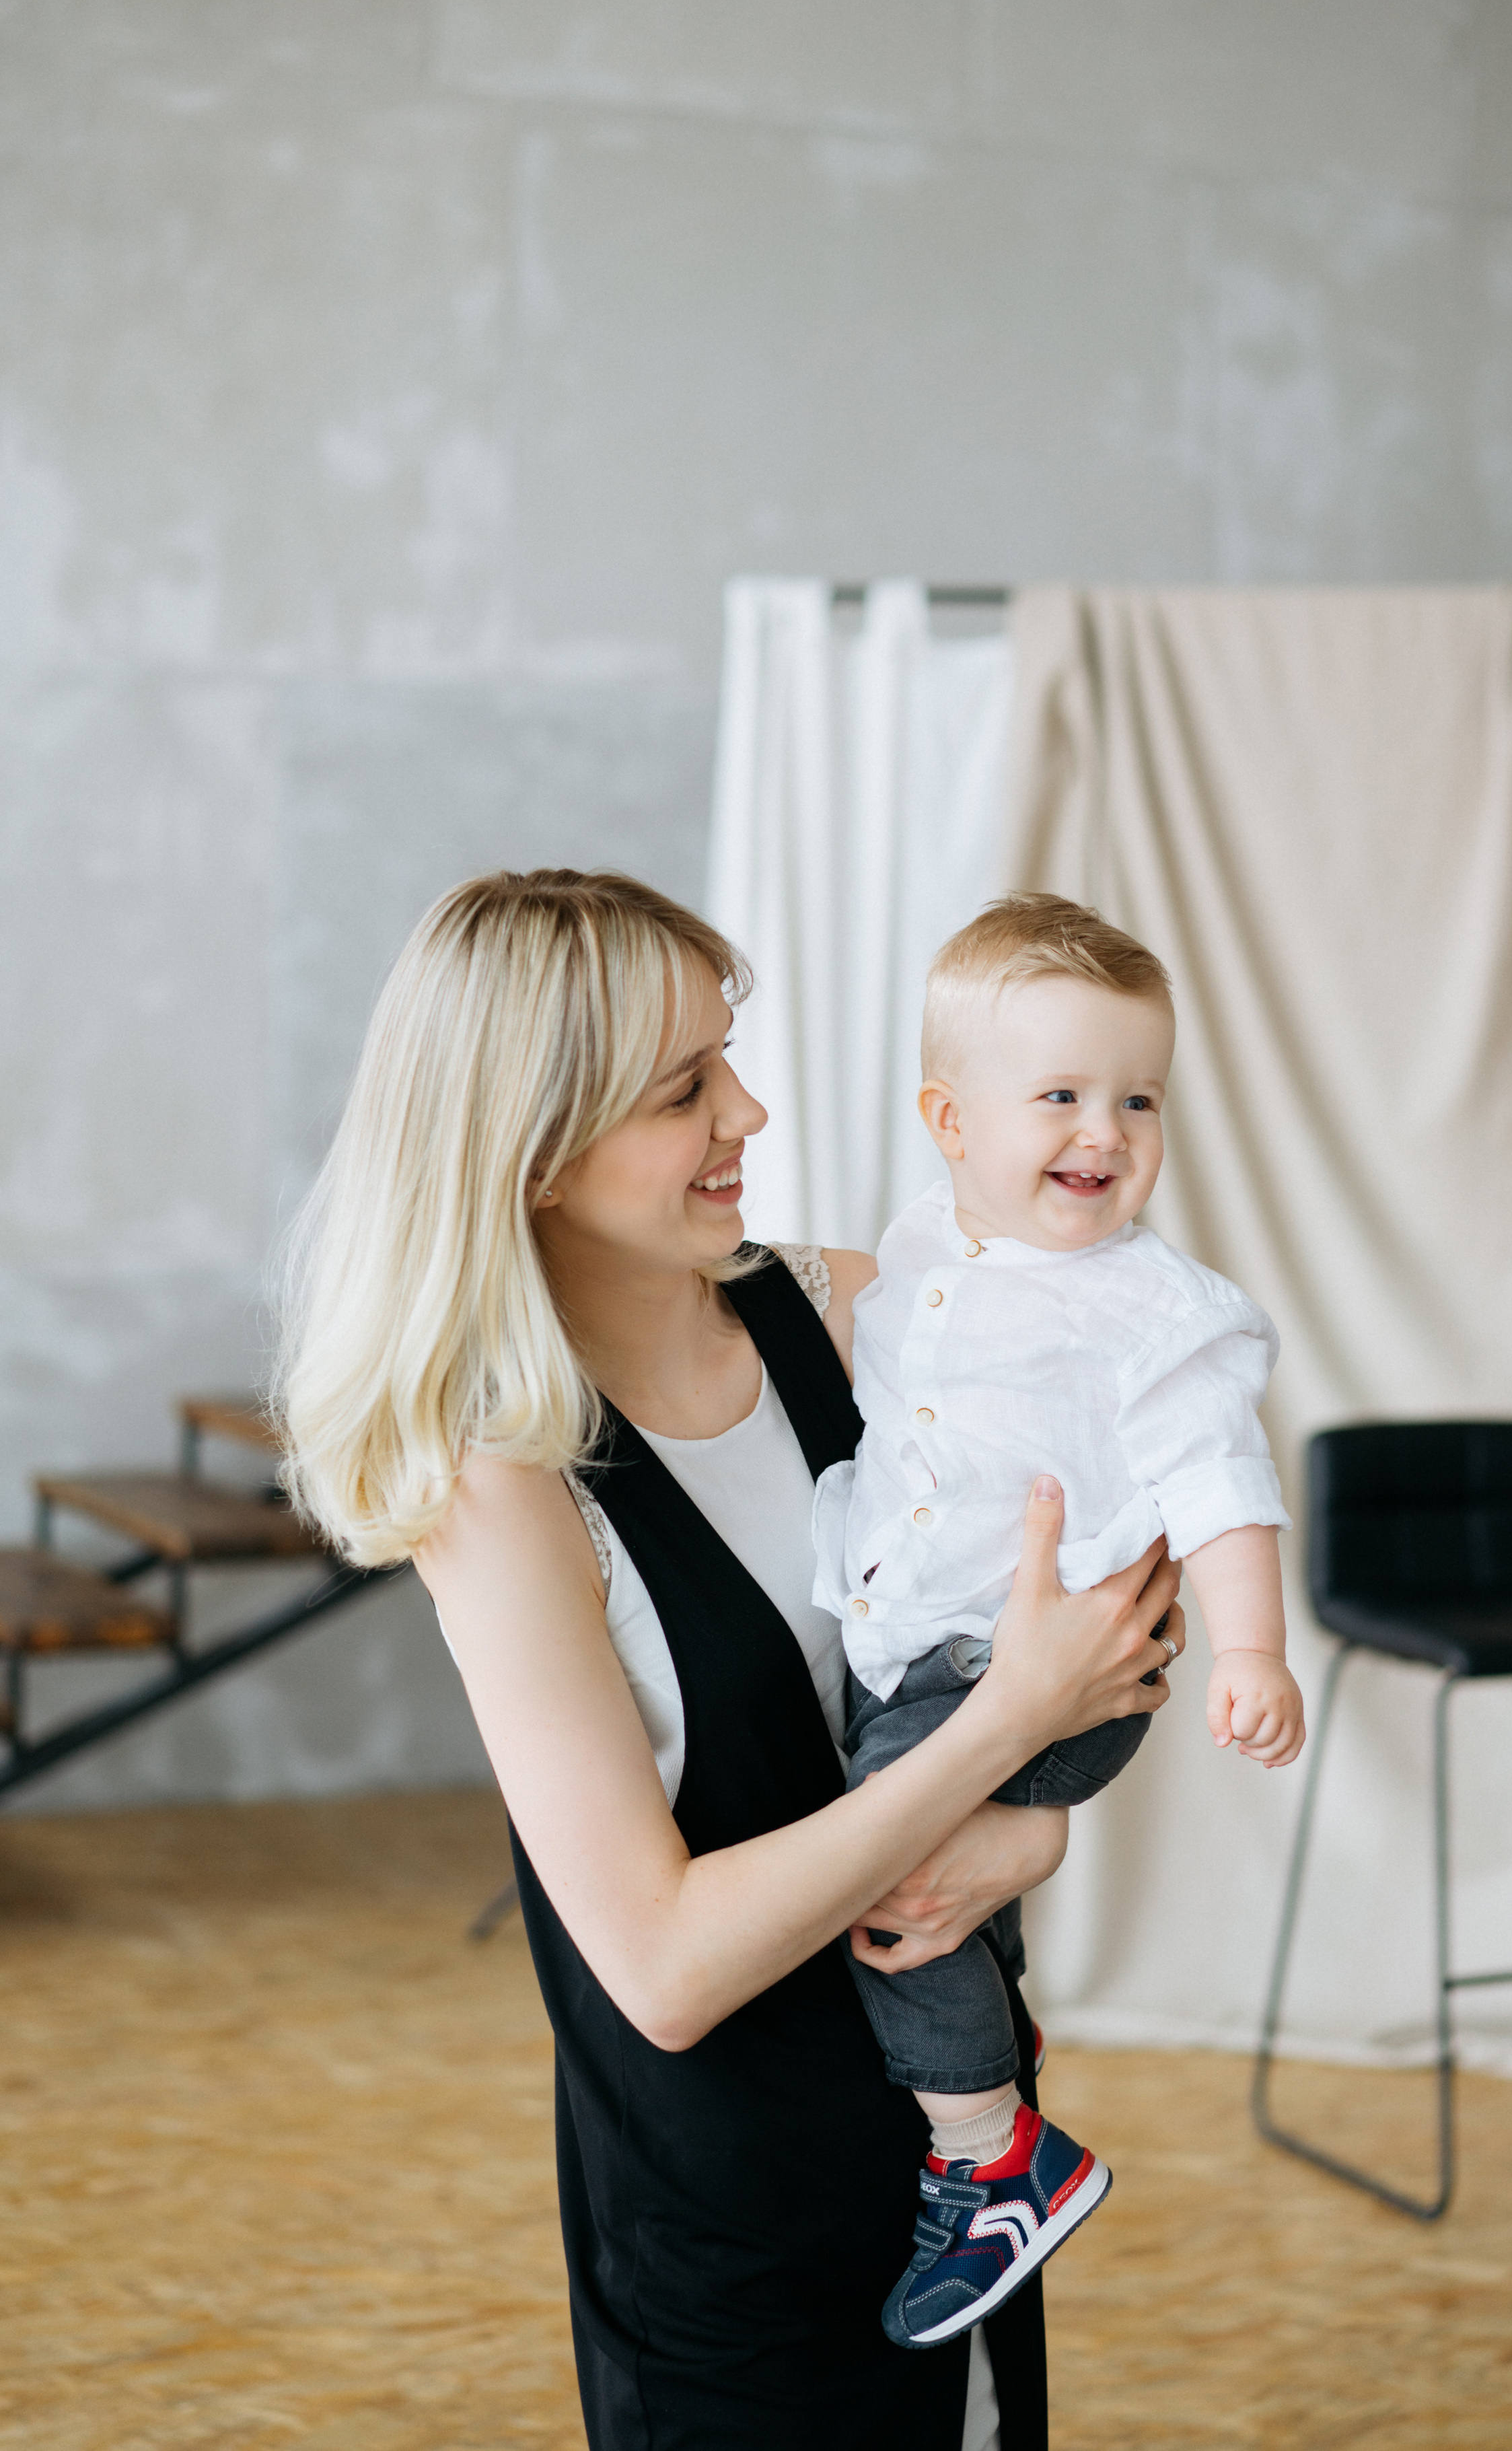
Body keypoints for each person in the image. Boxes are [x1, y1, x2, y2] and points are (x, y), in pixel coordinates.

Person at [275, 866, 1186, 2451]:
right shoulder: (498, 1483)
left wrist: (1031, 1824)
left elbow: (1129, 1576)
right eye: (683, 1086)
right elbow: (665, 1967)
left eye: (731, 1061)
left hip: (967, 2177)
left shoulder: (854, 1312)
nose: (748, 1113)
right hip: (728, 2240)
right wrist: (1003, 1734)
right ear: (534, 1147)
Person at [812, 894, 1305, 2349]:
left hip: (1038, 1671)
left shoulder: (1153, 1307)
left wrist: (1253, 1648)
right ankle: (990, 2000)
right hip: (915, 1654)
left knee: (880, 1867)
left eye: (1138, 1098)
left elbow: (1220, 1482)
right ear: (947, 1120)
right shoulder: (916, 1248)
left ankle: (991, 2157)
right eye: (1062, 1096)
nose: (1106, 1130)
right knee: (897, 1854)